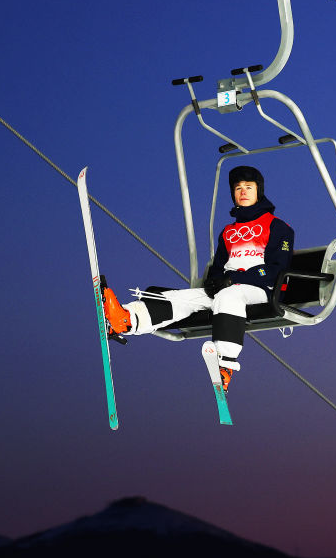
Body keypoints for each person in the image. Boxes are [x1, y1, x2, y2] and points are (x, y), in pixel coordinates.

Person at [101, 165, 294, 392]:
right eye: (238, 188)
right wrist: (215, 280)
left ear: (258, 191)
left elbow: (276, 268)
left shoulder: (278, 227)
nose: (243, 192)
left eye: (248, 187)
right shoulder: (228, 231)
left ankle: (226, 364)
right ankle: (126, 319)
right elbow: (218, 265)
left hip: (261, 288)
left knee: (231, 296)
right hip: (227, 287)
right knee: (182, 298)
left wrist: (235, 279)